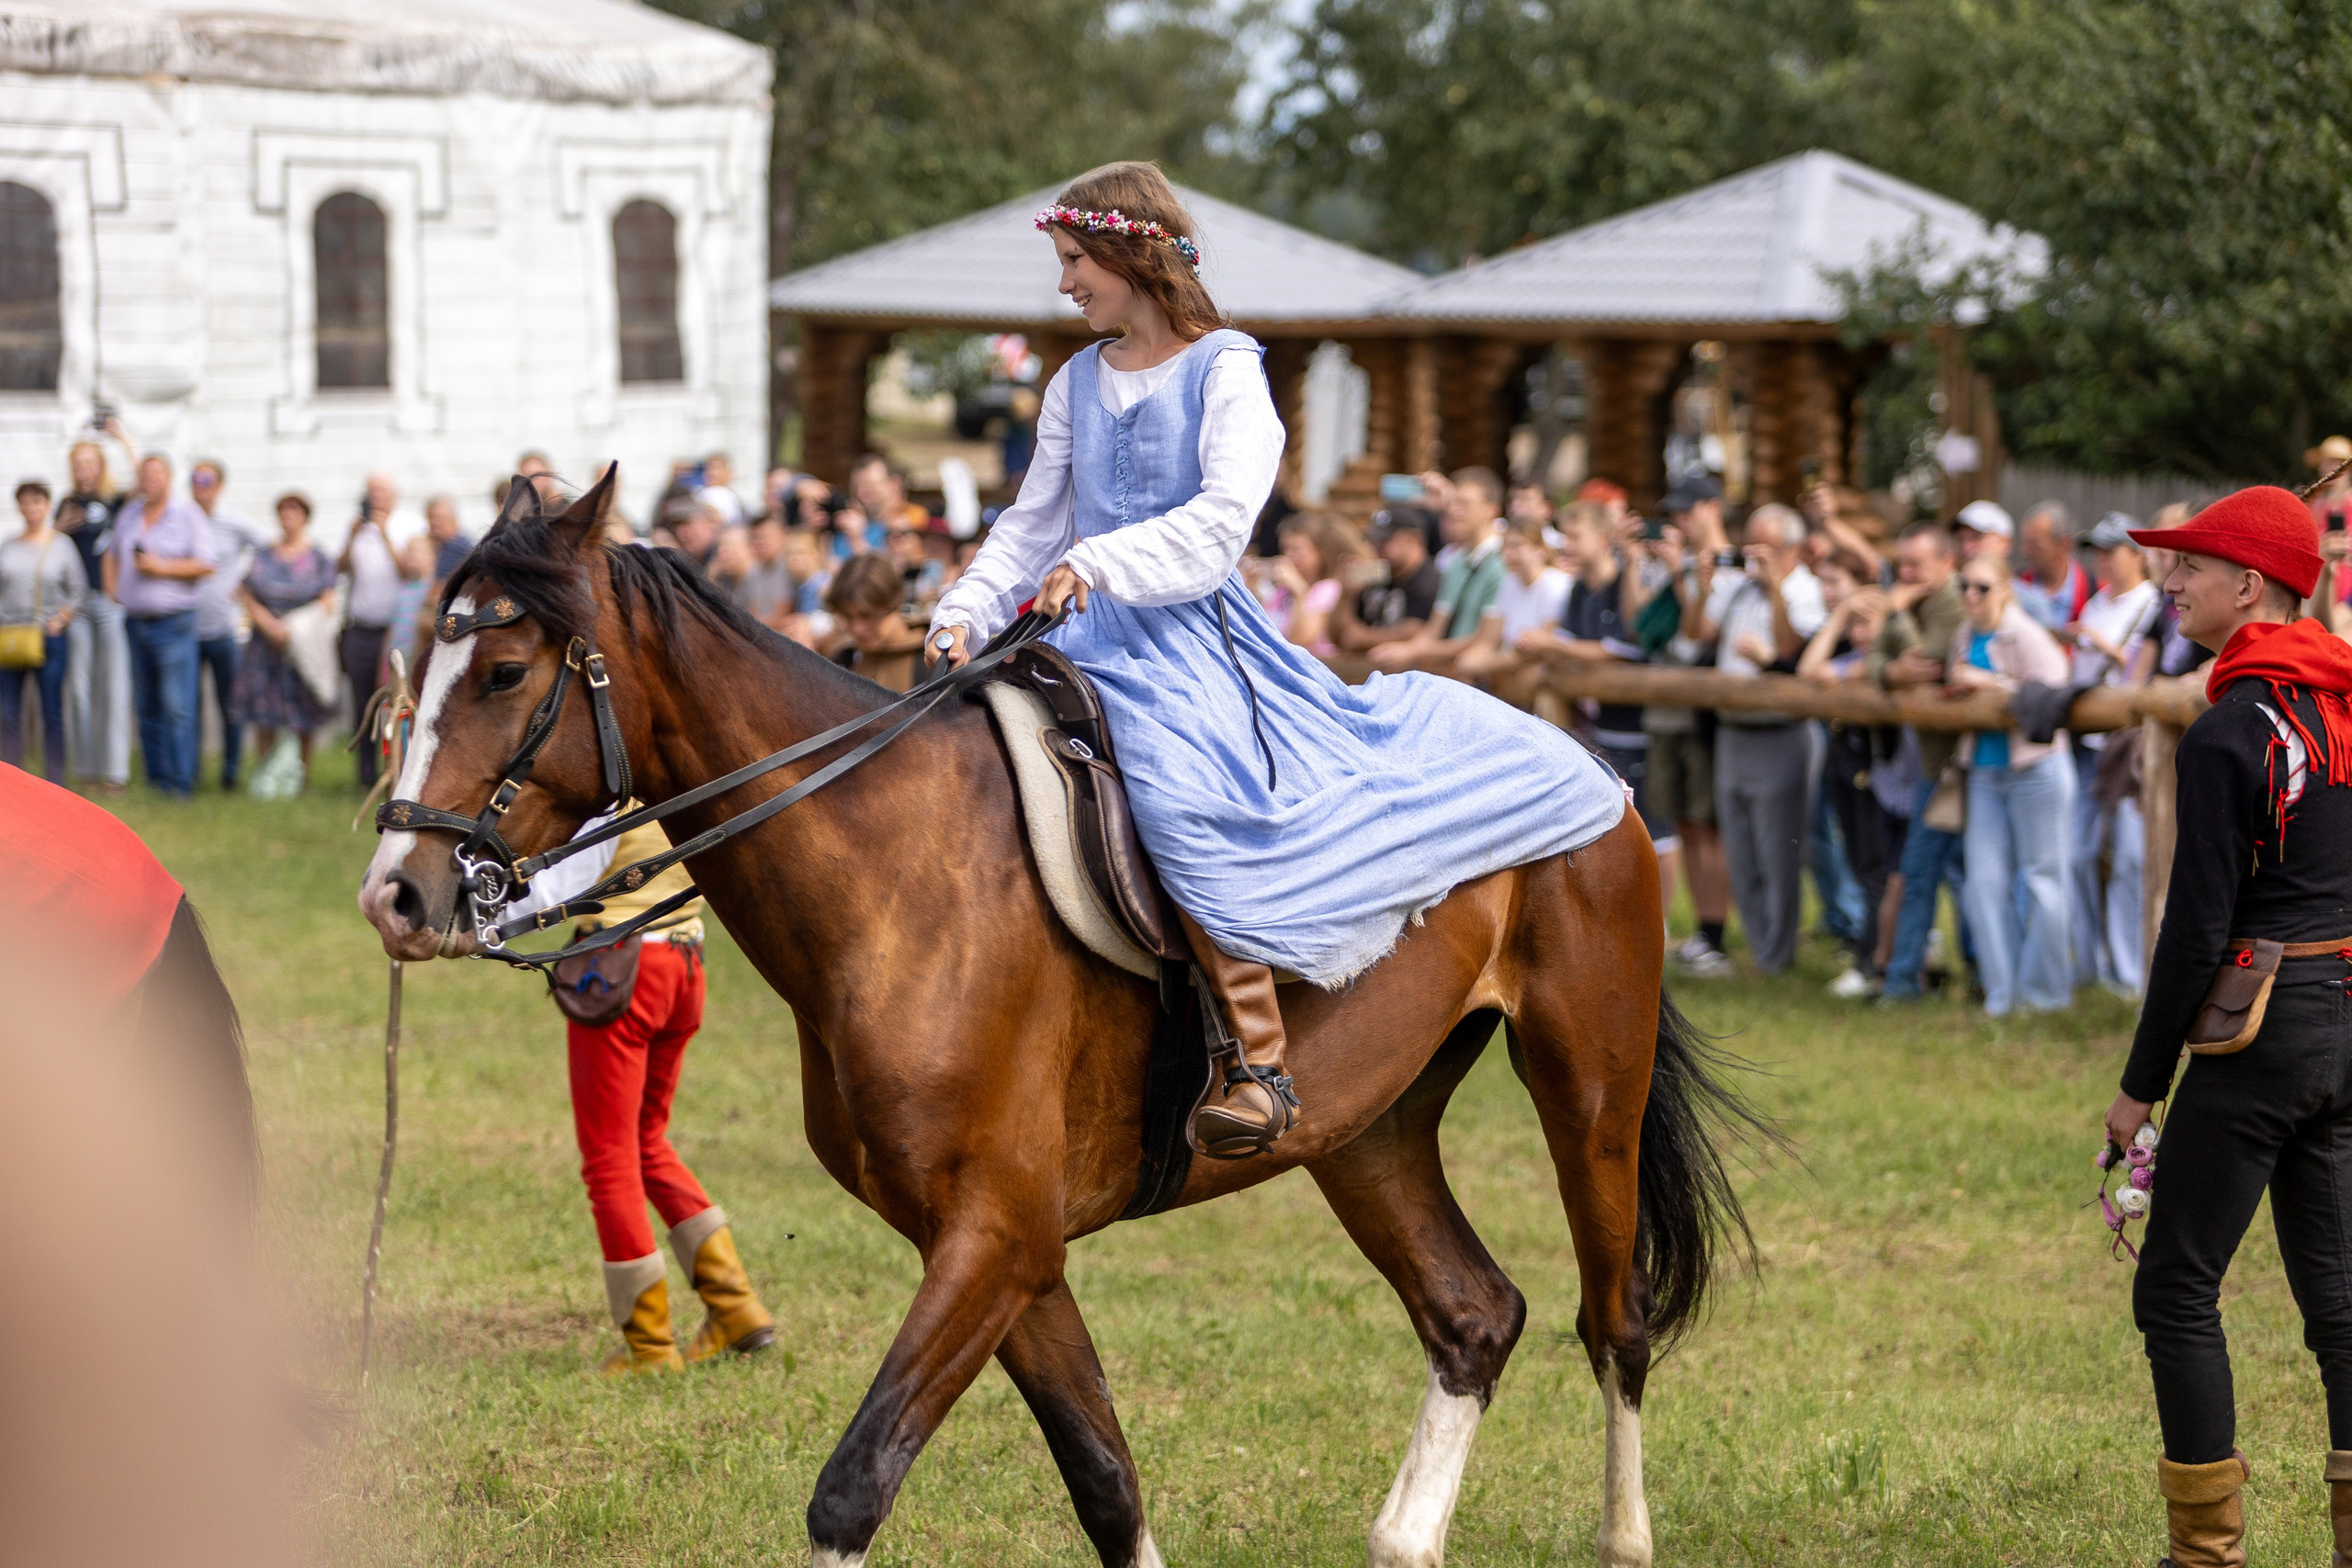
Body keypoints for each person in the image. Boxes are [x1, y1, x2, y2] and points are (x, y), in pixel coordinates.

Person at [926, 162, 1623, 1159]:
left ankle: (1252, 1059)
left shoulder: (1227, 369)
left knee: (1172, 791)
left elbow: (1218, 525)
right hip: (1073, 637)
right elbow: (1029, 526)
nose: (1067, 283)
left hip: (1191, 643)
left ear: (1129, 253)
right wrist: (964, 609)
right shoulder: (1075, 380)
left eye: (1076, 261)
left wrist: (1101, 560)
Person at [2101, 487, 2352, 1568]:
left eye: (2188, 567)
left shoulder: (2230, 728)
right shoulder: (2342, 705)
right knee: (2340, 1304)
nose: (2168, 583)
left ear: (2248, 586)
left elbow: (2195, 930)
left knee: (2174, 1287)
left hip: (2263, 1031)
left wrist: (2136, 1088)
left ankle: (2203, 1557)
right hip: (2345, 1020)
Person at [506, 812, 778, 1374]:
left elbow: (557, 889)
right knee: (645, 1142)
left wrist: (472, 914)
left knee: (609, 1158)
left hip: (626, 968)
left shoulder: (610, 798)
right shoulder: (669, 770)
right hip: (685, 964)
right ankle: (736, 1308)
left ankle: (651, 1347)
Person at [1688, 502, 1826, 976]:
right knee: (1741, 846)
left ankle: (1777, 956)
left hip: (1779, 733)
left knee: (1777, 848)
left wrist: (1776, 589)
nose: (1754, 556)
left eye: (1764, 547)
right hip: (1731, 730)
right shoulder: (1739, 587)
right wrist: (1705, 586)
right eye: (1750, 546)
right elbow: (1699, 635)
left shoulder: (1805, 589)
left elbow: (1792, 650)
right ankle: (1759, 945)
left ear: (1791, 550)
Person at [1947, 555, 2074, 1016]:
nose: (1970, 596)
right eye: (1964, 585)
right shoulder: (1963, 635)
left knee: (2044, 880)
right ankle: (2002, 995)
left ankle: (2045, 997)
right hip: (1983, 771)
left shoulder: (2028, 633)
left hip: (2037, 769)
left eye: (1981, 587)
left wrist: (1988, 681)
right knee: (1983, 883)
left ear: (2004, 589)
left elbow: (2054, 692)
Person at [1515, 502, 1676, 865]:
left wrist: (1552, 644)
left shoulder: (1625, 583)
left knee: (1656, 829)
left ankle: (1662, 920)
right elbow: (1572, 648)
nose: (1566, 545)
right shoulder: (1577, 589)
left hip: (1639, 724)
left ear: (1604, 539)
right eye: (1564, 536)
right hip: (1598, 727)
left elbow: (1626, 648)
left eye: (1575, 537)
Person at [1873, 522, 1970, 1004]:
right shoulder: (1923, 602)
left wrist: (1896, 611)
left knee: (1924, 871)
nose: (1904, 573)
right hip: (1937, 766)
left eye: (1915, 564)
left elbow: (1923, 660)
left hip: (1952, 767)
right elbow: (1876, 661)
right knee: (1954, 874)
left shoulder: (1952, 603)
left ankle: (1901, 983)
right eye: (1900, 564)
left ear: (1946, 563)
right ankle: (1962, 976)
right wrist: (1889, 671)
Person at [1797, 553, 1899, 997]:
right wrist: (1839, 618)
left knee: (1877, 868)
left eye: (1867, 623)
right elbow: (1808, 670)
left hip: (1882, 777)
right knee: (1860, 864)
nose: (1860, 633)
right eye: (1855, 625)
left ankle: (1873, 962)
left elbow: (1820, 673)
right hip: (1848, 768)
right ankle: (1872, 957)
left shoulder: (1883, 662)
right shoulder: (1850, 654)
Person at [2066, 513, 2160, 993]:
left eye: (2110, 549)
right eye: (2096, 549)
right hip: (2086, 744)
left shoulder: (2151, 604)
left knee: (2128, 859)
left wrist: (2099, 643)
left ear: (2136, 555)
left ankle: (2129, 974)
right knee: (2077, 856)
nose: (2101, 557)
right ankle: (2090, 964)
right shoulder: (2098, 600)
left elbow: (2142, 675)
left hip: (2126, 748)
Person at [1645, 479, 1736, 976]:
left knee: (1708, 826)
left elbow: (1698, 635)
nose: (1679, 522)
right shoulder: (1683, 565)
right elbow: (1648, 624)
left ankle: (1716, 934)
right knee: (1686, 822)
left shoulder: (1729, 566)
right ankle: (1704, 933)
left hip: (1707, 713)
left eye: (1686, 512)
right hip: (1672, 708)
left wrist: (1686, 581)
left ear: (1712, 507)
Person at [107, 453, 215, 798]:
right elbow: (111, 554)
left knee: (176, 706)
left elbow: (205, 563)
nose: (149, 481)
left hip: (174, 624)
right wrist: (115, 592)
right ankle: (158, 781)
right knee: (147, 705)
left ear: (168, 478)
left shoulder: (187, 514)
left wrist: (161, 568)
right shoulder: (130, 513)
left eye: (155, 475)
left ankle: (181, 785)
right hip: (136, 622)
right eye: (144, 475)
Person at [232, 493, 338, 784]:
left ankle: (301, 777)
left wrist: (292, 628)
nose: (289, 516)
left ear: (306, 516)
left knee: (303, 711)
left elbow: (328, 599)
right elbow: (245, 592)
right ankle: (266, 775)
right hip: (265, 644)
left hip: (300, 646)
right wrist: (268, 624)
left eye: (295, 511)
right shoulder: (263, 555)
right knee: (265, 712)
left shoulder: (319, 558)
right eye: (283, 511)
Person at [1367, 467, 1508, 669]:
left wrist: (1413, 651)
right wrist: (1404, 649)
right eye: (1453, 503)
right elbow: (1436, 626)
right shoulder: (1456, 561)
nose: (1454, 511)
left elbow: (1485, 639)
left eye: (1465, 504)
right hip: (1453, 669)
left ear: (1491, 511)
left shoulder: (1502, 562)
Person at [187, 459, 271, 792]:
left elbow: (270, 549)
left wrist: (247, 587)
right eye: (195, 480)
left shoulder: (234, 522)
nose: (200, 486)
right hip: (185, 630)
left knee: (230, 706)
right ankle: (189, 773)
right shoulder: (182, 519)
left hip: (225, 630)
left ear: (219, 486)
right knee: (188, 707)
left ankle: (231, 772)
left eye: (207, 480)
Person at [56, 432, 133, 792]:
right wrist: (59, 530)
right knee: (80, 687)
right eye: (77, 465)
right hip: (77, 605)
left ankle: (115, 774)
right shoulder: (67, 503)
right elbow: (51, 548)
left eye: (89, 463)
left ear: (100, 466)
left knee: (114, 685)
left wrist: (120, 437)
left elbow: (146, 483)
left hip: (109, 601)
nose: (83, 470)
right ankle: (86, 770)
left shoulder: (116, 500)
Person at [1, 480, 86, 782]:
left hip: (48, 638)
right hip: (11, 638)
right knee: (7, 714)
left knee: (51, 712)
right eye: (25, 502)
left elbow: (77, 589)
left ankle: (55, 784)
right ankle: (12, 784)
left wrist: (61, 619)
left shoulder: (61, 545)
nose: (31, 508)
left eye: (37, 501)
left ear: (47, 505)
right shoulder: (8, 546)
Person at [338, 482, 412, 790]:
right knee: (362, 702)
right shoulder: (358, 531)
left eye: (383, 495)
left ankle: (396, 770)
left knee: (394, 701)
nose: (377, 501)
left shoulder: (406, 527)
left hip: (393, 630)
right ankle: (365, 774)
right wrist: (353, 535)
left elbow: (408, 571)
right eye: (372, 496)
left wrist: (385, 536)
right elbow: (341, 568)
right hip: (360, 628)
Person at [1455, 516, 1571, 682]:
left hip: (1540, 671)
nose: (1509, 554)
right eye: (1505, 547)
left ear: (1540, 549)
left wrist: (1483, 664)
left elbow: (1540, 648)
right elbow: (1491, 639)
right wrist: (1470, 659)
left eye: (1517, 546)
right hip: (1508, 668)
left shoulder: (1558, 584)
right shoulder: (1508, 583)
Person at [1329, 508, 1440, 654]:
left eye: (1385, 540)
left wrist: (1362, 637)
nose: (1377, 546)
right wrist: (1346, 595)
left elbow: (1416, 633)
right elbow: (1338, 637)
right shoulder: (1374, 574)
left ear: (1414, 539)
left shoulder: (1429, 579)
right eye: (1373, 539)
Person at [1250, 512, 1360, 657]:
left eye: (1297, 549)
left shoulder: (1328, 589)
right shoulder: (1282, 590)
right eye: (1285, 548)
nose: (1289, 555)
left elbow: (1300, 640)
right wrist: (1252, 590)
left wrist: (1300, 590)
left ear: (1319, 552)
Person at [823, 551, 927, 692]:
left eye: (867, 615)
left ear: (893, 603)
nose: (857, 629)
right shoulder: (842, 663)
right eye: (848, 617)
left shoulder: (931, 662)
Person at [736, 514, 797, 629]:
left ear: (783, 535)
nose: (759, 542)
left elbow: (782, 617)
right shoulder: (754, 570)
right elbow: (752, 610)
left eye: (765, 537)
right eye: (755, 537)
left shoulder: (788, 565)